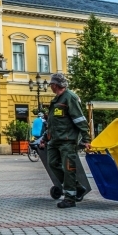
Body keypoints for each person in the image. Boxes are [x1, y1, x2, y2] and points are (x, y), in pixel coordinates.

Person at [46, 73, 91, 209]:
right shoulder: (57, 99)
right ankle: (77, 187)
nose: (50, 86)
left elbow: (79, 119)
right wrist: (45, 138)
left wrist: (86, 138)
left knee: (68, 168)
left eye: (51, 84)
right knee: (52, 163)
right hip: (55, 140)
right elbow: (52, 122)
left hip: (67, 140)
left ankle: (70, 199)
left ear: (56, 85)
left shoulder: (70, 98)